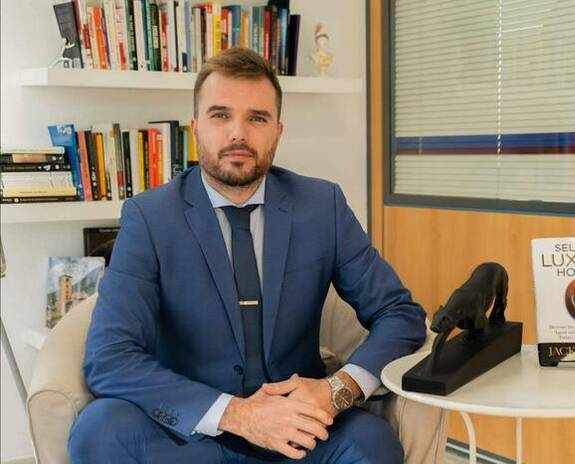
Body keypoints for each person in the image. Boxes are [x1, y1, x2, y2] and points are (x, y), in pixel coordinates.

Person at [68, 47, 426, 463]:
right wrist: (237, 415)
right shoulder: (149, 218)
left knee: (372, 443)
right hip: (190, 436)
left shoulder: (321, 206)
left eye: (257, 118)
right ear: (195, 127)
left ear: (278, 131)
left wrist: (336, 390)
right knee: (98, 431)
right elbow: (109, 357)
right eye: (220, 115)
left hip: (301, 431)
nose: (238, 133)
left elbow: (399, 313)